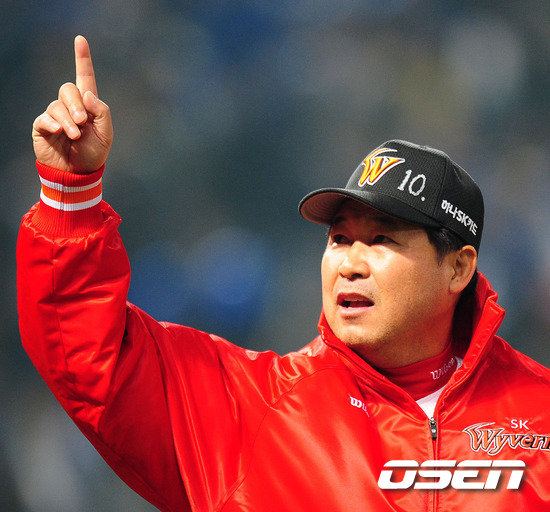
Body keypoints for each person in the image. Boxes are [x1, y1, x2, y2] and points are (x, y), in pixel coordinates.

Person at [17, 35, 550, 512]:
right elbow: (89, 356)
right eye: (339, 239)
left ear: (458, 267)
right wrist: (70, 196)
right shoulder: (248, 412)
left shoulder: (540, 412)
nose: (349, 263)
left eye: (382, 240)